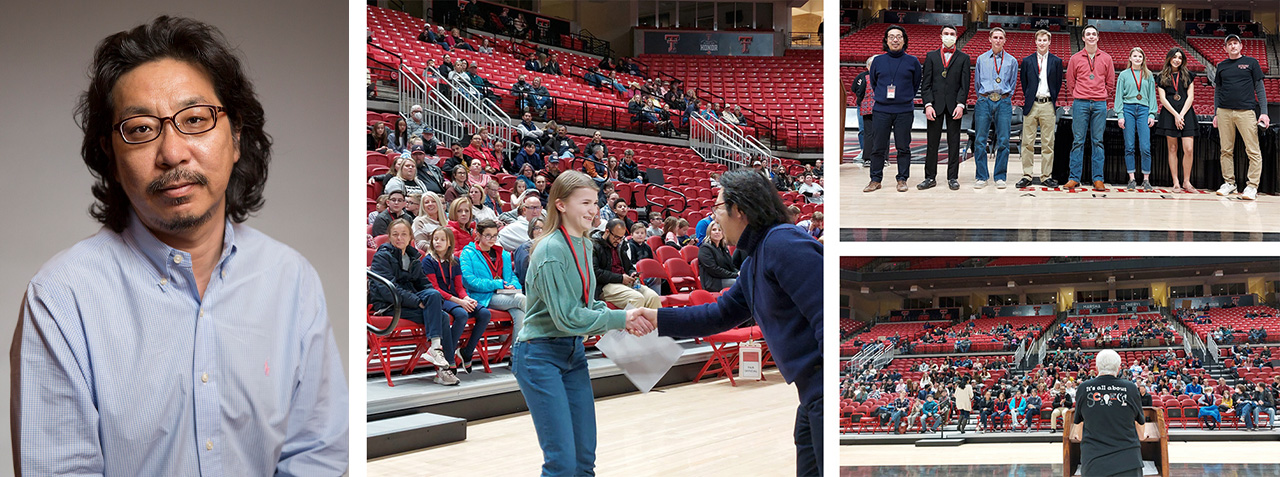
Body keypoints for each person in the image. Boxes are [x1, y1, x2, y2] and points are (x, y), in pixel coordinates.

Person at [14, 16, 348, 474]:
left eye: (195, 120)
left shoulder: (291, 280)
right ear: (109, 156)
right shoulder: (61, 298)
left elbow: (317, 455)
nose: (172, 153)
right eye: (140, 129)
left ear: (235, 137)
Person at [634, 169, 823, 475]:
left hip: (824, 388)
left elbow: (826, 315)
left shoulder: (784, 245)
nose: (714, 217)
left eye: (718, 208)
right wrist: (656, 318)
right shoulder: (756, 257)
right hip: (811, 393)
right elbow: (719, 314)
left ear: (740, 210)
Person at [514, 171, 654, 476]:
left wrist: (623, 319)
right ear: (561, 205)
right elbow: (567, 317)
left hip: (572, 353)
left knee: (583, 461)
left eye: (596, 202)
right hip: (539, 357)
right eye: (586, 202)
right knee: (561, 464)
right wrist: (620, 317)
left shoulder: (585, 244)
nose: (593, 209)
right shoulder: (551, 249)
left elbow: (586, 307)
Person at [371, 219, 456, 382]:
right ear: (389, 236)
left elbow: (423, 283)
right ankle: (444, 367)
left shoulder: (413, 256)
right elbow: (389, 291)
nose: (399, 238)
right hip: (389, 305)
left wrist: (430, 299)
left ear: (410, 236)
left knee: (436, 301)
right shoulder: (382, 256)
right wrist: (418, 302)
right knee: (441, 315)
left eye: (403, 234)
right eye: (395, 234)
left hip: (407, 302)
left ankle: (439, 357)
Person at [422, 227, 492, 376]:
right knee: (461, 314)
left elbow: (459, 286)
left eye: (442, 239)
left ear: (449, 243)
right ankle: (449, 356)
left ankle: (467, 351)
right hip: (440, 298)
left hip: (456, 297)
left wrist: (466, 298)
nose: (438, 242)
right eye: (435, 239)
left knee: (485, 313)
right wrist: (460, 302)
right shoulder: (428, 261)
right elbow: (435, 288)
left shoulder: (455, 260)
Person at [1212, 34, 1270, 200]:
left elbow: (1260, 88)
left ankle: (1252, 186)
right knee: (1226, 150)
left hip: (1246, 112)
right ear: (1225, 48)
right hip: (1224, 112)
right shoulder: (1221, 66)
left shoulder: (1251, 63)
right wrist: (1216, 112)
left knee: (1252, 150)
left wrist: (1264, 112)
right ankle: (1229, 183)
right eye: (1229, 44)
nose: (1232, 46)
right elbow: (1218, 90)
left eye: (1235, 43)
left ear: (1241, 46)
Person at [864, 26, 921, 193]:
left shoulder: (913, 61)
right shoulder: (878, 61)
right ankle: (875, 179)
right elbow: (874, 83)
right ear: (886, 40)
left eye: (899, 36)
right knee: (878, 147)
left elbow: (915, 83)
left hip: (904, 110)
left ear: (904, 40)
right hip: (881, 110)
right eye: (891, 37)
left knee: (903, 146)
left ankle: (902, 179)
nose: (895, 40)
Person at [1073, 349, 1145, 476]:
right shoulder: (1131, 388)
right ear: (1118, 369)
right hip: (1128, 461)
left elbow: (1078, 427)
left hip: (1094, 461)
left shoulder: (1083, 388)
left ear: (1096, 368)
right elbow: (1140, 425)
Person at [1065, 25, 1116, 191]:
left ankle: (1098, 178)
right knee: (1078, 141)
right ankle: (1074, 178)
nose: (1091, 36)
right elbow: (1070, 82)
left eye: (1094, 34)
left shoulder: (1107, 58)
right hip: (1080, 103)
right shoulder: (1075, 58)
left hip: (1100, 103)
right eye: (1088, 34)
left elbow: (1110, 83)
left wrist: (1100, 94)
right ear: (1083, 38)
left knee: (1098, 141)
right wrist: (1080, 94)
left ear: (1098, 37)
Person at [920, 25, 971, 190]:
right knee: (932, 144)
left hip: (954, 106)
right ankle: (929, 177)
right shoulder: (931, 56)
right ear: (941, 36)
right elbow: (925, 84)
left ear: (956, 37)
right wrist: (927, 104)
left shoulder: (963, 58)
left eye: (952, 34)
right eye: (946, 34)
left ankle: (953, 177)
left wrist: (961, 105)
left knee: (954, 143)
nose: (949, 36)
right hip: (934, 106)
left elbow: (965, 85)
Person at [461, 219, 527, 341]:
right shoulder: (468, 253)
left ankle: (515, 356)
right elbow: (469, 281)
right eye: (488, 235)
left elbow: (512, 276)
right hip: (482, 296)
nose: (492, 239)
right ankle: (542, 336)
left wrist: (512, 285)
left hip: (504, 295)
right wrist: (499, 284)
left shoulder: (503, 254)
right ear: (478, 235)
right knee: (522, 300)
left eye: (495, 235)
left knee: (520, 314)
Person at [1017, 30, 1064, 189]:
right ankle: (1027, 175)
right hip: (1032, 104)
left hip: (1048, 105)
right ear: (1035, 42)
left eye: (1045, 40)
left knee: (1048, 143)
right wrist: (1031, 97)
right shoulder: (1027, 61)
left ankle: (1046, 176)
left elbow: (1057, 84)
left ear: (1049, 42)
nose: (1042, 43)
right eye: (1040, 40)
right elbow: (1025, 84)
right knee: (1027, 142)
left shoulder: (1057, 61)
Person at [972, 27, 1018, 189]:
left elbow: (1012, 84)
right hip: (984, 100)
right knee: (980, 140)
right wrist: (983, 97)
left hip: (1004, 101)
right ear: (990, 39)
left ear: (1005, 40)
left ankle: (1000, 176)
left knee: (1004, 140)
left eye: (1001, 38)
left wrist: (1004, 97)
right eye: (995, 37)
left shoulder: (1012, 61)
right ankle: (981, 176)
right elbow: (977, 83)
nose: (998, 40)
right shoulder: (981, 59)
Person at [1154, 48, 1199, 192]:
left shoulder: (1188, 75)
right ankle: (1176, 182)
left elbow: (1190, 97)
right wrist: (1175, 115)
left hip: (1186, 114)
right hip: (1169, 114)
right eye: (1174, 57)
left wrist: (1181, 115)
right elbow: (1162, 99)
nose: (1177, 60)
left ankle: (1187, 181)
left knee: (1189, 149)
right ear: (1169, 58)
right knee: (1172, 149)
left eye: (1180, 57)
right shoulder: (1161, 76)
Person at [592, 219, 662, 310]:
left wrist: (632, 273)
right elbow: (595, 272)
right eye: (616, 237)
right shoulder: (594, 245)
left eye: (621, 238)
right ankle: (625, 323)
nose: (618, 241)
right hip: (605, 285)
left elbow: (628, 267)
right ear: (607, 231)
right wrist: (620, 278)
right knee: (636, 298)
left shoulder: (620, 245)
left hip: (623, 282)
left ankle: (653, 325)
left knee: (653, 297)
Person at [1115, 47, 1158, 191]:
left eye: (1140, 56)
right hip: (1128, 108)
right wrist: (1120, 115)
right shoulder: (1124, 75)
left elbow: (1152, 95)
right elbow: (1118, 96)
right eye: (1135, 56)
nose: (1138, 58)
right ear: (1130, 58)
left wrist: (1152, 114)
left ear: (1143, 59)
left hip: (1144, 110)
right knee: (1130, 146)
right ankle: (1132, 178)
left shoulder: (1149, 75)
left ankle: (1146, 179)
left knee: (1145, 147)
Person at [698, 221, 739, 292]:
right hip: (713, 282)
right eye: (714, 230)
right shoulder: (705, 248)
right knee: (741, 283)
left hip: (725, 278)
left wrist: (739, 273)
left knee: (748, 280)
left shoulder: (723, 248)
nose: (717, 232)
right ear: (709, 232)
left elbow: (731, 266)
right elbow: (714, 270)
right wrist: (735, 275)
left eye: (720, 230)